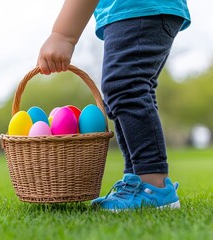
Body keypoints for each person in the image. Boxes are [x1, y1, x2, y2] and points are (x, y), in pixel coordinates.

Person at [37, 1, 190, 211]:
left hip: (137, 8)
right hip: (138, 10)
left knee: (125, 87)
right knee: (126, 89)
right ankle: (138, 179)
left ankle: (153, 184)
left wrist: (63, 35)